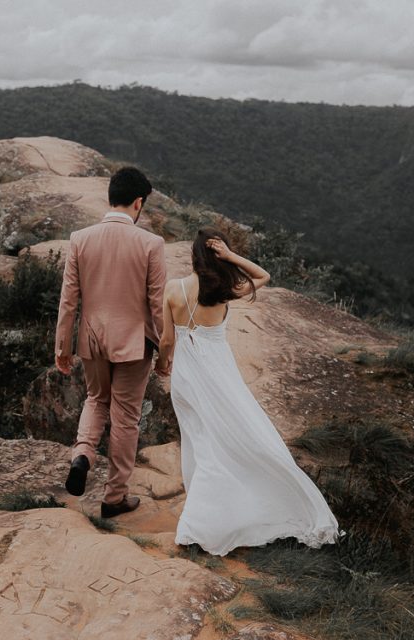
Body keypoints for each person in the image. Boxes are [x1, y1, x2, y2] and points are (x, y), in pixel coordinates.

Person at [156, 228, 345, 555]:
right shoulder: (225, 289)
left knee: (200, 440)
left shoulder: (173, 289)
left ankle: (203, 520)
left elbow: (167, 340)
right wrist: (230, 256)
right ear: (215, 255)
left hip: (186, 378)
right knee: (231, 439)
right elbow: (264, 275)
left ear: (193, 256)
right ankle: (212, 519)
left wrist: (163, 364)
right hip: (218, 375)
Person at [55, 166, 167, 518]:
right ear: (138, 203)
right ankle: (114, 497)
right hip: (134, 345)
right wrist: (166, 351)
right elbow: (157, 304)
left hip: (92, 340)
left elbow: (68, 301)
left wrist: (63, 348)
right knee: (126, 418)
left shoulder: (80, 239)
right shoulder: (151, 244)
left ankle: (83, 454)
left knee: (95, 398)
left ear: (110, 197)